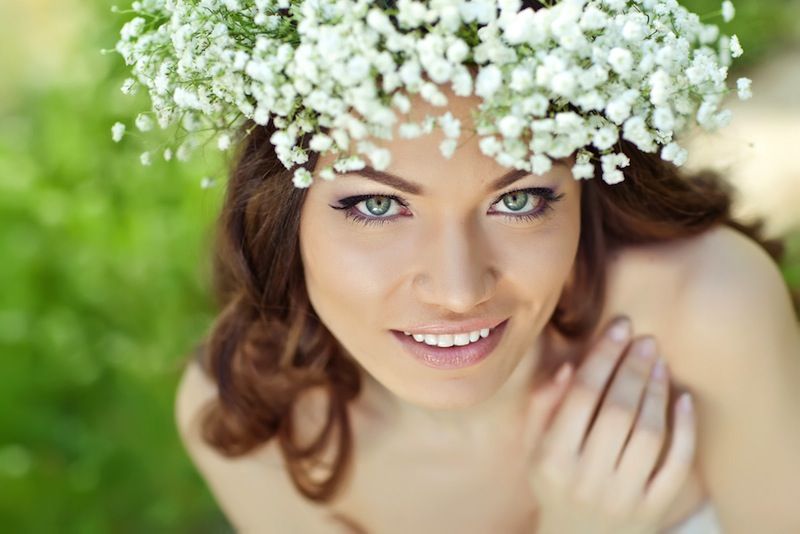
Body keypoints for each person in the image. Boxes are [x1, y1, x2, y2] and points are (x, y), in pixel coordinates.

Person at [111, 0, 799, 531]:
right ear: (281, 209)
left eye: (520, 198)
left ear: (586, 184)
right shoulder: (249, 427)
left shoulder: (706, 309)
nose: (458, 290)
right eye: (378, 206)